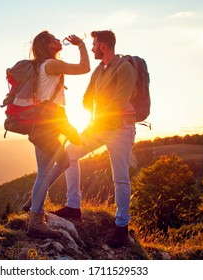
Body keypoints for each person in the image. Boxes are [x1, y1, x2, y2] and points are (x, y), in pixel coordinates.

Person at [51, 30, 137, 248]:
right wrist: (93, 113)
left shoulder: (125, 68)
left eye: (95, 44)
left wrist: (100, 116)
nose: (92, 48)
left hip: (121, 130)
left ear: (105, 45)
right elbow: (87, 97)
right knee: (69, 155)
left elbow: (119, 102)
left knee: (120, 177)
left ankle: (121, 225)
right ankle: (73, 205)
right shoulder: (99, 70)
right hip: (98, 127)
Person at [26, 31, 90, 238]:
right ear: (46, 45)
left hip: (42, 123)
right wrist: (80, 45)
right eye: (53, 39)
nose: (57, 40)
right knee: (45, 172)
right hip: (45, 125)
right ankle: (35, 221)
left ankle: (33, 205)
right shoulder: (50, 65)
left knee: (60, 163)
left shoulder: (41, 66)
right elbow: (84, 68)